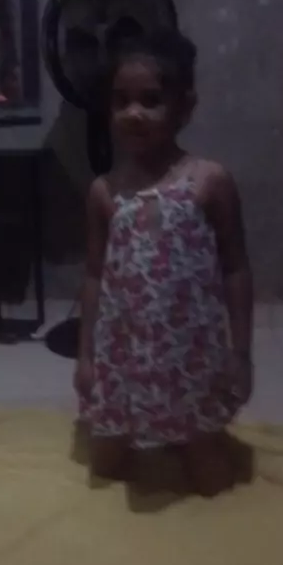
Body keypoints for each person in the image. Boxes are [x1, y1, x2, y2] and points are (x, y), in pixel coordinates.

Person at [74, 29, 253, 496]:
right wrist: (86, 355)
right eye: (121, 101)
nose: (133, 113)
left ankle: (189, 436)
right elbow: (93, 275)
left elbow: (236, 268)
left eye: (151, 100)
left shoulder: (209, 182)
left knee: (211, 478)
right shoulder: (104, 191)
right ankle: (142, 424)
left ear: (184, 107)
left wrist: (240, 353)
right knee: (106, 467)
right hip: (125, 350)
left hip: (191, 352)